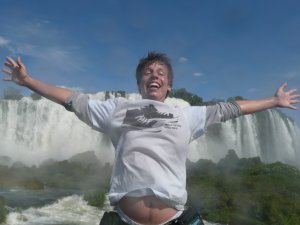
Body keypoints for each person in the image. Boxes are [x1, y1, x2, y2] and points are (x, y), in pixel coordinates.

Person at [2, 52, 300, 225]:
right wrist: (28, 81)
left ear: (168, 86)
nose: (153, 74)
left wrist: (273, 102)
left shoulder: (187, 114)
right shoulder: (117, 109)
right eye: (147, 72)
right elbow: (73, 100)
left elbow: (230, 109)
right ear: (140, 83)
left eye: (160, 72)